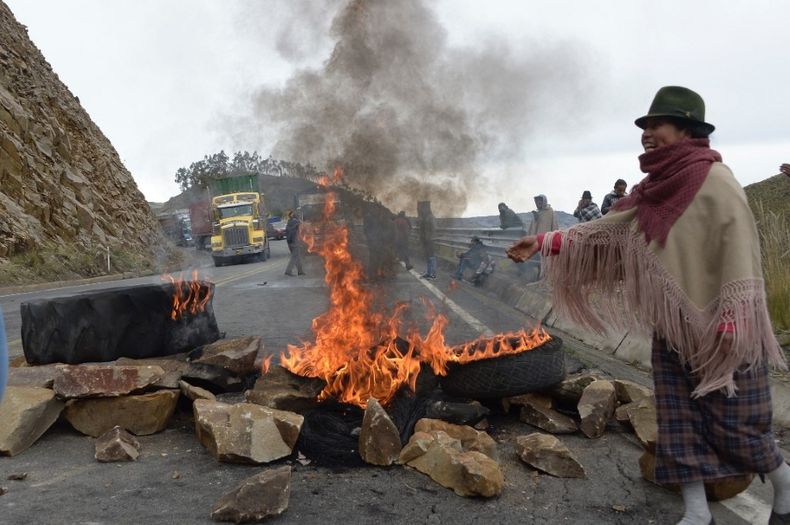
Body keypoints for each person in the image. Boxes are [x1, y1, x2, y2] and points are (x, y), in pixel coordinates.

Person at [507, 86, 790, 525]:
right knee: (678, 423)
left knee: (739, 427)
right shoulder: (651, 192)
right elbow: (607, 231)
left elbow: (741, 249)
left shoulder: (717, 181)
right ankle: (697, 513)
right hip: (674, 326)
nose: (647, 133)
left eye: (658, 124)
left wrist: (733, 316)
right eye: (644, 126)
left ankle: (785, 488)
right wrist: (545, 241)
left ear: (686, 129)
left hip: (723, 329)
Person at [417, 202, 437, 279]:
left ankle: (433, 274)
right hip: (426, 240)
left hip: (430, 240)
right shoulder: (425, 217)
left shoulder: (430, 217)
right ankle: (429, 273)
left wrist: (430, 237)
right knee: (428, 257)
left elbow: (433, 229)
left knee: (431, 257)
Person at [284, 211, 305, 276]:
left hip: (290, 242)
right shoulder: (296, 222)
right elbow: (303, 225)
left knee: (297, 257)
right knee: (294, 257)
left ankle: (300, 271)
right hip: (294, 242)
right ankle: (288, 271)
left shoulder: (289, 222)